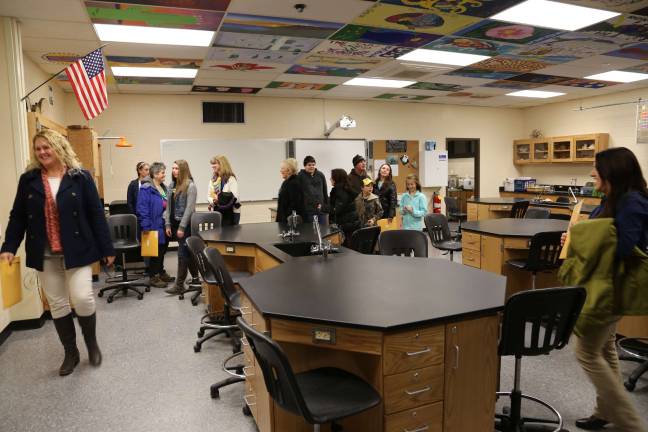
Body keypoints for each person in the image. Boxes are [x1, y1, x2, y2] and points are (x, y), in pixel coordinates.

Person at [0, 130, 114, 376]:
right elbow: (18, 216)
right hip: (45, 252)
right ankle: (70, 352)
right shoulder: (28, 179)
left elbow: (95, 214)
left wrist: (107, 248)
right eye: (38, 148)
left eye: (46, 147)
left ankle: (91, 343)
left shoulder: (80, 177)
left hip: (78, 249)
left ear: (59, 147)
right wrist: (9, 246)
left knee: (83, 298)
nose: (42, 152)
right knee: (58, 304)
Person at [560, 147, 648, 432]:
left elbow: (622, 247)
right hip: (603, 285)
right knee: (606, 348)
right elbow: (596, 231)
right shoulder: (612, 198)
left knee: (586, 353)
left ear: (612, 173)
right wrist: (575, 237)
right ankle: (605, 411)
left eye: (596, 168)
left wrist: (583, 238)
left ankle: (631, 423)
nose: (591, 173)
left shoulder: (633, 203)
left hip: (610, 289)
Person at [164, 160, 199, 295]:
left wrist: (182, 227)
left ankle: (179, 285)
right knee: (187, 252)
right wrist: (167, 224)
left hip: (186, 224)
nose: (174, 171)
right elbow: (168, 207)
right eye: (172, 168)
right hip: (174, 223)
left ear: (183, 170)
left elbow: (189, 209)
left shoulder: (190, 186)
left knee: (182, 253)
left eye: (177, 168)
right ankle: (195, 279)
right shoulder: (171, 185)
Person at [137, 162, 173, 288]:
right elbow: (142, 209)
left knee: (162, 250)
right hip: (152, 225)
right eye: (162, 172)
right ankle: (153, 277)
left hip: (164, 225)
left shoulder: (164, 187)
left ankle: (161, 272)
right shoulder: (146, 188)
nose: (164, 174)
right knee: (155, 252)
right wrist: (146, 227)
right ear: (156, 174)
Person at [329, 168, 361, 245]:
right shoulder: (345, 189)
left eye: (331, 177)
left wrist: (322, 207)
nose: (330, 179)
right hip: (349, 224)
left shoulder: (340, 192)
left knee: (347, 250)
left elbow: (337, 209)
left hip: (347, 226)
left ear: (336, 178)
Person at [208, 155, 241, 225]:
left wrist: (219, 197)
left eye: (215, 164)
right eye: (212, 164)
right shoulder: (213, 180)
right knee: (217, 235)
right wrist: (213, 200)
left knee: (230, 235)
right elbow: (208, 196)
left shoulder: (231, 179)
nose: (212, 166)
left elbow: (236, 198)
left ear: (222, 164)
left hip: (231, 213)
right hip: (217, 212)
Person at [298, 155, 329, 224]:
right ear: (305, 166)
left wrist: (326, 206)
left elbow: (325, 191)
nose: (312, 167)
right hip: (308, 211)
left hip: (321, 210)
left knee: (323, 231)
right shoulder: (300, 176)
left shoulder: (320, 175)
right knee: (311, 232)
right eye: (309, 165)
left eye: (313, 165)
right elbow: (298, 194)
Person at [276, 158, 304, 223]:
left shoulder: (294, 183)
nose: (280, 171)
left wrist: (285, 220)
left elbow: (294, 205)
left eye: (282, 168)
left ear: (289, 170)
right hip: (284, 219)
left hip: (289, 222)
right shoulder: (286, 182)